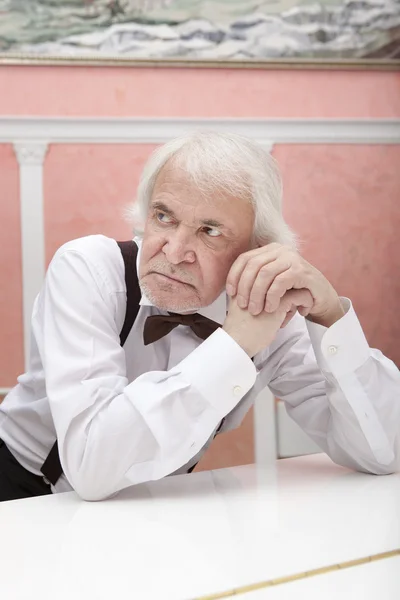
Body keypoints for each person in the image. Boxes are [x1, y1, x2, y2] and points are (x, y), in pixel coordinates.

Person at [0, 131, 399, 502]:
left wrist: (330, 318)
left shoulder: (268, 310)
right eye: (163, 217)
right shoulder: (89, 270)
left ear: (256, 247)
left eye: (210, 231)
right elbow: (89, 464)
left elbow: (384, 453)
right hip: (20, 487)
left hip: (149, 504)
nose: (174, 252)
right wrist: (236, 345)